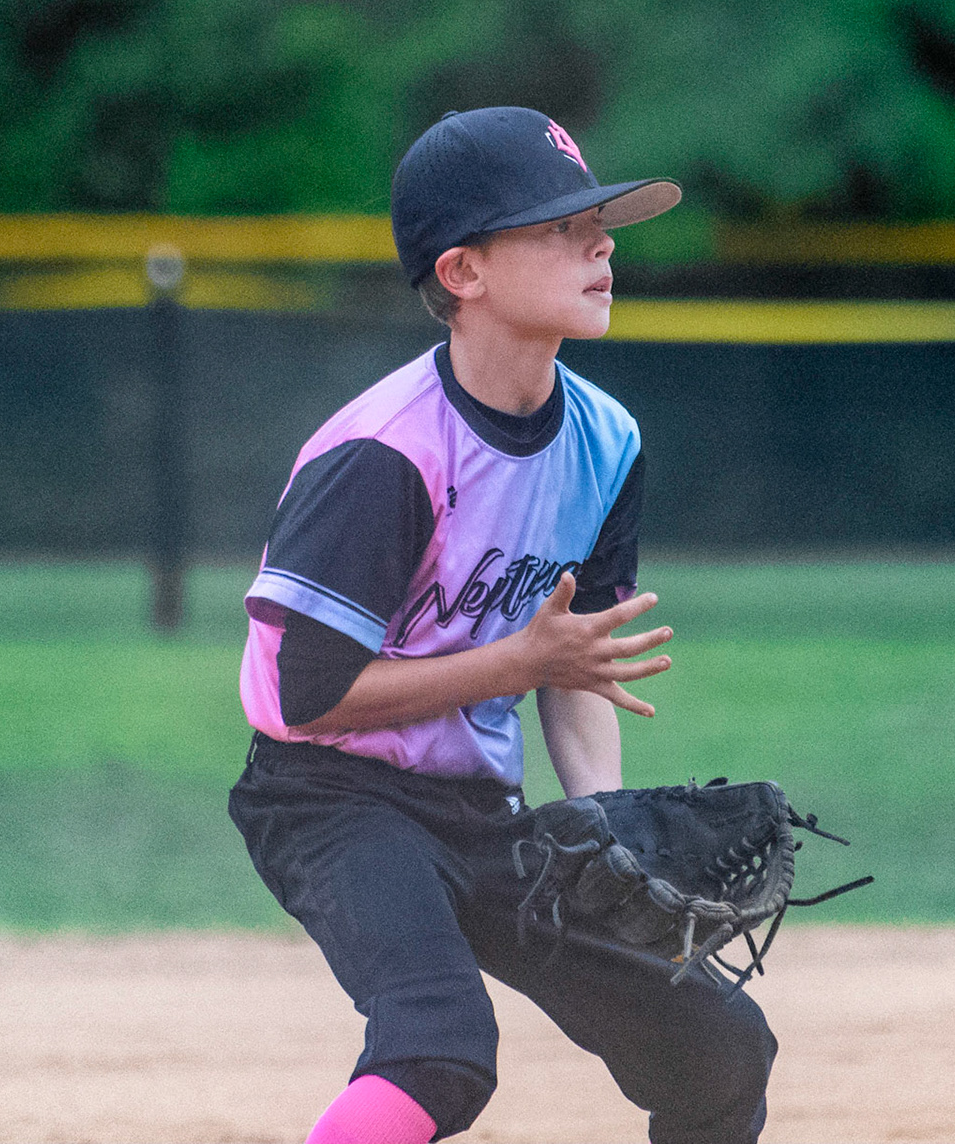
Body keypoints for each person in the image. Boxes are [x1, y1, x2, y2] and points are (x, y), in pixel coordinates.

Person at [228, 106, 777, 1144]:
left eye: (600, 222)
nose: (601, 243)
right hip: (329, 794)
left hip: (481, 805)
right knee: (438, 1046)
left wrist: (604, 825)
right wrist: (515, 661)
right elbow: (309, 696)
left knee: (716, 1043)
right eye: (559, 226)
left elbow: (574, 657)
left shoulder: (607, 440)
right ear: (465, 272)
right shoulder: (385, 453)